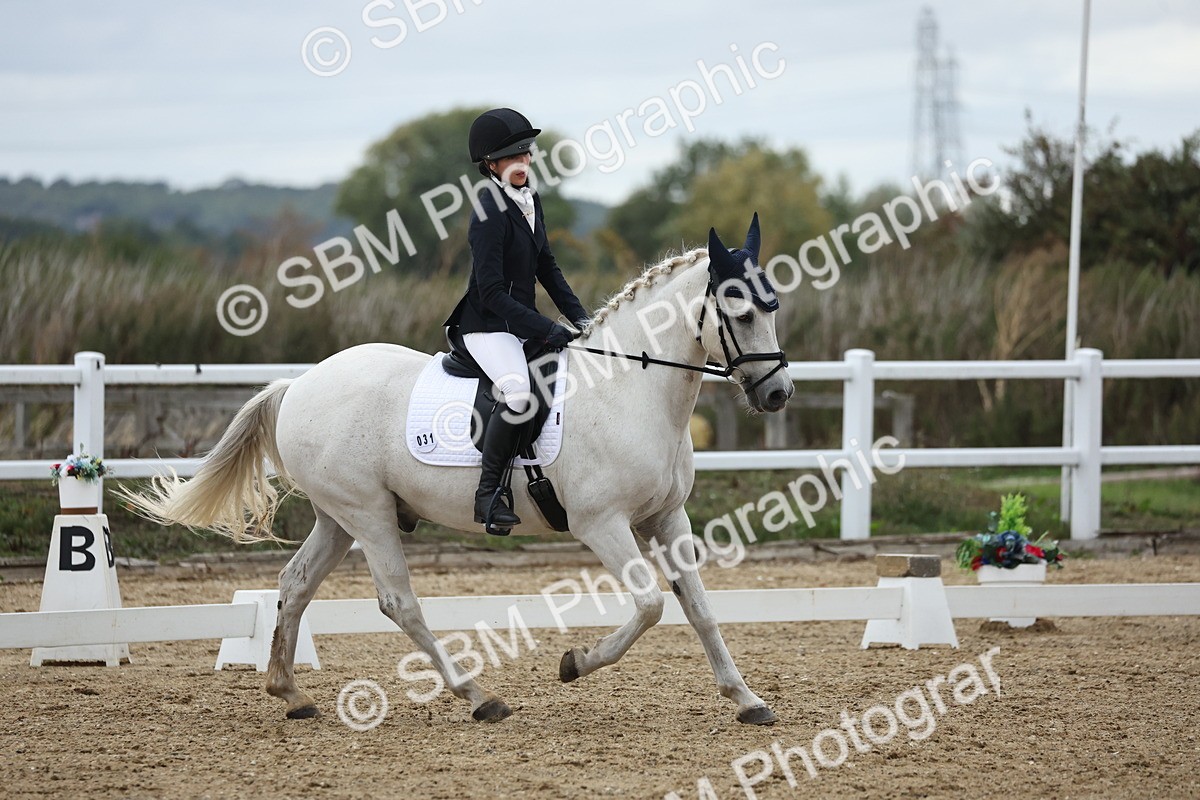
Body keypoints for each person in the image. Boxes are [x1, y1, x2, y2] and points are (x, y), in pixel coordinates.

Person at [443, 107, 591, 534]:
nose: (522, 163)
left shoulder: (530, 201)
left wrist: (581, 318)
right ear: (491, 165)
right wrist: (545, 328)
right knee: (519, 393)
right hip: (486, 326)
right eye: (511, 157)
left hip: (518, 323)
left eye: (526, 154)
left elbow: (548, 267)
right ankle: (488, 494)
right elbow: (489, 292)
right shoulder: (488, 209)